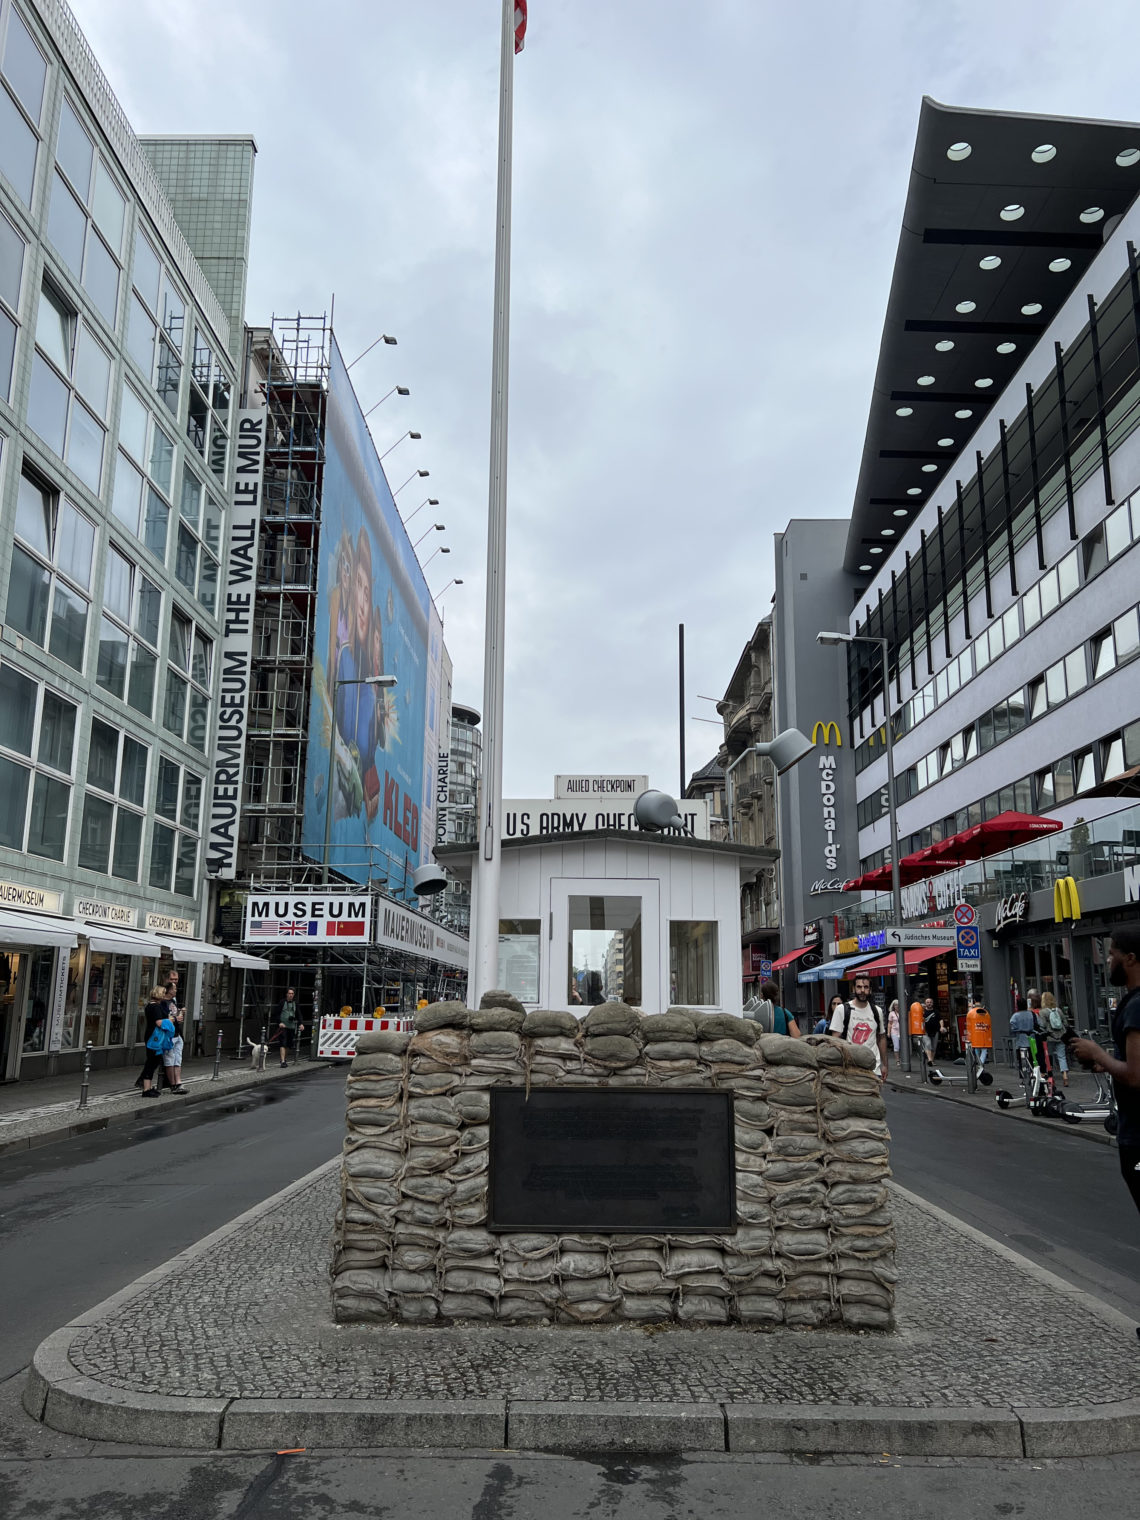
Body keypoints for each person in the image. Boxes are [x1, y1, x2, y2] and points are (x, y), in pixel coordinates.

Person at [1072, 929, 1140, 1235]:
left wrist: (1098, 1052)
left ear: (1130, 958)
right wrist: (1107, 1064)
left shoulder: (1136, 1006)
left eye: (1112, 954)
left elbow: (1136, 1075)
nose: (1108, 960)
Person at [828, 974, 889, 1080]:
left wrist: (885, 1065)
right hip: (851, 1068)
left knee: (873, 1096)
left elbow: (881, 1038)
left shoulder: (877, 1011)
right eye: (859, 987)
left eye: (865, 987)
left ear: (870, 990)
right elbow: (835, 1040)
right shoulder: (842, 1009)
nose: (862, 991)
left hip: (873, 1068)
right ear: (853, 989)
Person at [140, 987, 175, 1097]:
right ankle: (146, 1089)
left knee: (153, 1061)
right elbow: (159, 1023)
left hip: (152, 1035)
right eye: (164, 993)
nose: (165, 995)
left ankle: (148, 1087)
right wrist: (170, 1021)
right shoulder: (155, 1007)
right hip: (154, 1037)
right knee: (152, 1062)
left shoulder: (151, 1005)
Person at [1010, 990, 1041, 1079]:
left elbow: (1012, 1027)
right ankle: (1034, 1075)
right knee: (1033, 1059)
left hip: (1020, 1041)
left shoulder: (1015, 1016)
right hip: (1032, 1040)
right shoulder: (1032, 1014)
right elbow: (1038, 1024)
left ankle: (1024, 1077)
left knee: (1022, 1060)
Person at [1040, 991, 1069, 1086]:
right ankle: (1065, 1076)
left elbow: (1043, 1025)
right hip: (1061, 1037)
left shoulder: (1043, 1012)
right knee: (1062, 1057)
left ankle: (1049, 1075)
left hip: (1050, 1037)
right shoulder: (1059, 1010)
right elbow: (1065, 1023)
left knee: (1047, 1056)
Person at [276, 987, 303, 1068]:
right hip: (283, 1026)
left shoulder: (296, 1003)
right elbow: (276, 1014)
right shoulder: (282, 1002)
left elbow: (299, 1014)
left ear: (293, 995)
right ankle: (283, 1061)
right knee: (283, 1043)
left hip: (291, 1026)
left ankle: (283, 1059)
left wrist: (301, 1024)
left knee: (289, 1044)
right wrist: (279, 1022)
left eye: (292, 994)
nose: (291, 995)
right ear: (286, 994)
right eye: (289, 993)